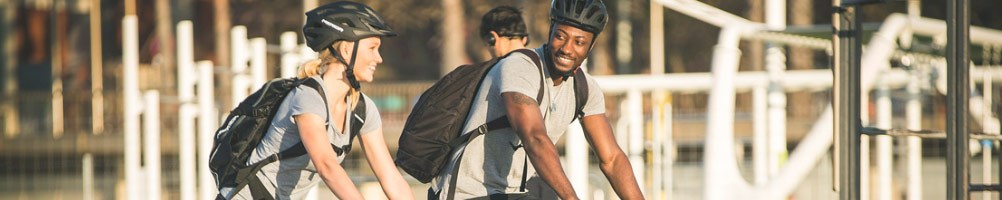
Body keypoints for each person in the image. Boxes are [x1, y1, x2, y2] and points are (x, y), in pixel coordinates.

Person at [430, 0, 644, 199]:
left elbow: (612, 159)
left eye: (579, 42)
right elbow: (534, 137)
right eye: (561, 36)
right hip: (467, 192)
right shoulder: (520, 67)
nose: (567, 48)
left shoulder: (585, 88)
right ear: (550, 31)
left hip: (513, 192)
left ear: (591, 46)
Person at [217, 1, 414, 199]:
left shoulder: (361, 109)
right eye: (372, 48)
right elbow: (326, 166)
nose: (378, 58)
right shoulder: (308, 97)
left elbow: (389, 176)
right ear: (346, 49)